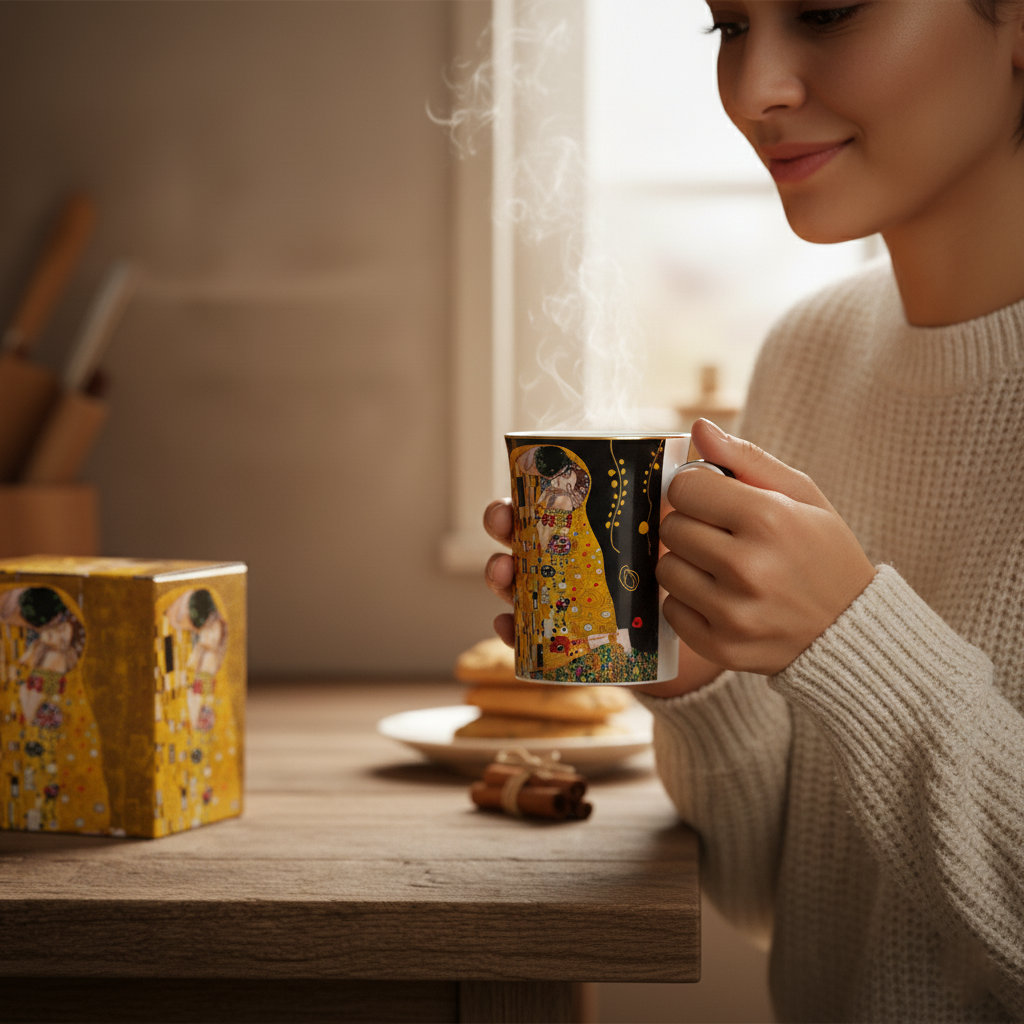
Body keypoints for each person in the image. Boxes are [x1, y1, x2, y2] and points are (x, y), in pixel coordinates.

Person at [483, 1, 1024, 1019]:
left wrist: (850, 639)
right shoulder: (809, 350)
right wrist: (703, 682)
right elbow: (778, 897)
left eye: (826, 10)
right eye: (727, 26)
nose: (753, 91)